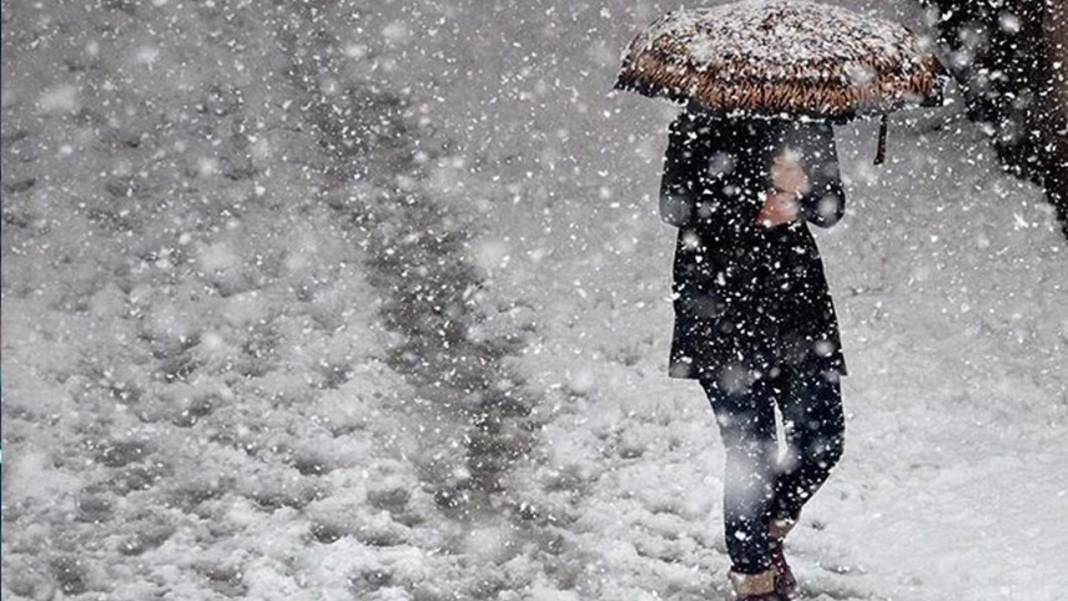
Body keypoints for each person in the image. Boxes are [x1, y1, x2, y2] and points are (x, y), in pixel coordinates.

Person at [659, 105, 848, 601]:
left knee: (823, 437)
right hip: (720, 308)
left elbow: (832, 206)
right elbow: (676, 207)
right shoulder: (699, 118)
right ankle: (755, 579)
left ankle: (765, 531)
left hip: (797, 309)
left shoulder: (806, 117)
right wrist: (755, 199)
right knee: (752, 452)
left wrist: (803, 194)